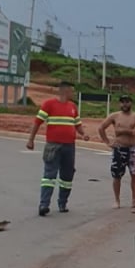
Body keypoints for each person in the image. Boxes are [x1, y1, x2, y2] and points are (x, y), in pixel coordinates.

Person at [26, 80, 86, 216]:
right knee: (49, 176)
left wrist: (83, 134)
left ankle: (62, 203)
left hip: (69, 146)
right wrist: (31, 140)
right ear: (64, 90)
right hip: (53, 145)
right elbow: (37, 123)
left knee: (67, 176)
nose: (73, 93)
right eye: (71, 90)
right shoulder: (49, 104)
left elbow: (77, 124)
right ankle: (44, 204)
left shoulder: (73, 107)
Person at [98, 95, 135, 211]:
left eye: (127, 102)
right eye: (122, 102)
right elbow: (101, 128)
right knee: (117, 176)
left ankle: (134, 200)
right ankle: (117, 200)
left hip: (133, 149)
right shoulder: (115, 116)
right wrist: (107, 142)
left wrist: (126, 131)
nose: (124, 104)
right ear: (120, 104)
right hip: (119, 148)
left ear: (131, 103)